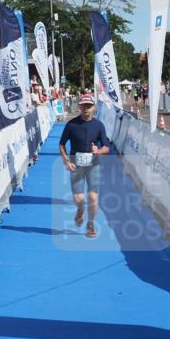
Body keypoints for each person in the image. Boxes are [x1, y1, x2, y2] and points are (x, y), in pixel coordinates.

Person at [59, 93, 110, 239]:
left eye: (89, 105)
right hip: (76, 164)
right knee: (79, 199)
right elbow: (62, 144)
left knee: (93, 198)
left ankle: (90, 224)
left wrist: (98, 151)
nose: (86, 108)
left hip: (93, 164)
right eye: (83, 105)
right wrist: (66, 160)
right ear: (79, 106)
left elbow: (107, 147)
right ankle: (80, 209)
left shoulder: (99, 125)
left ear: (94, 107)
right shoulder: (71, 124)